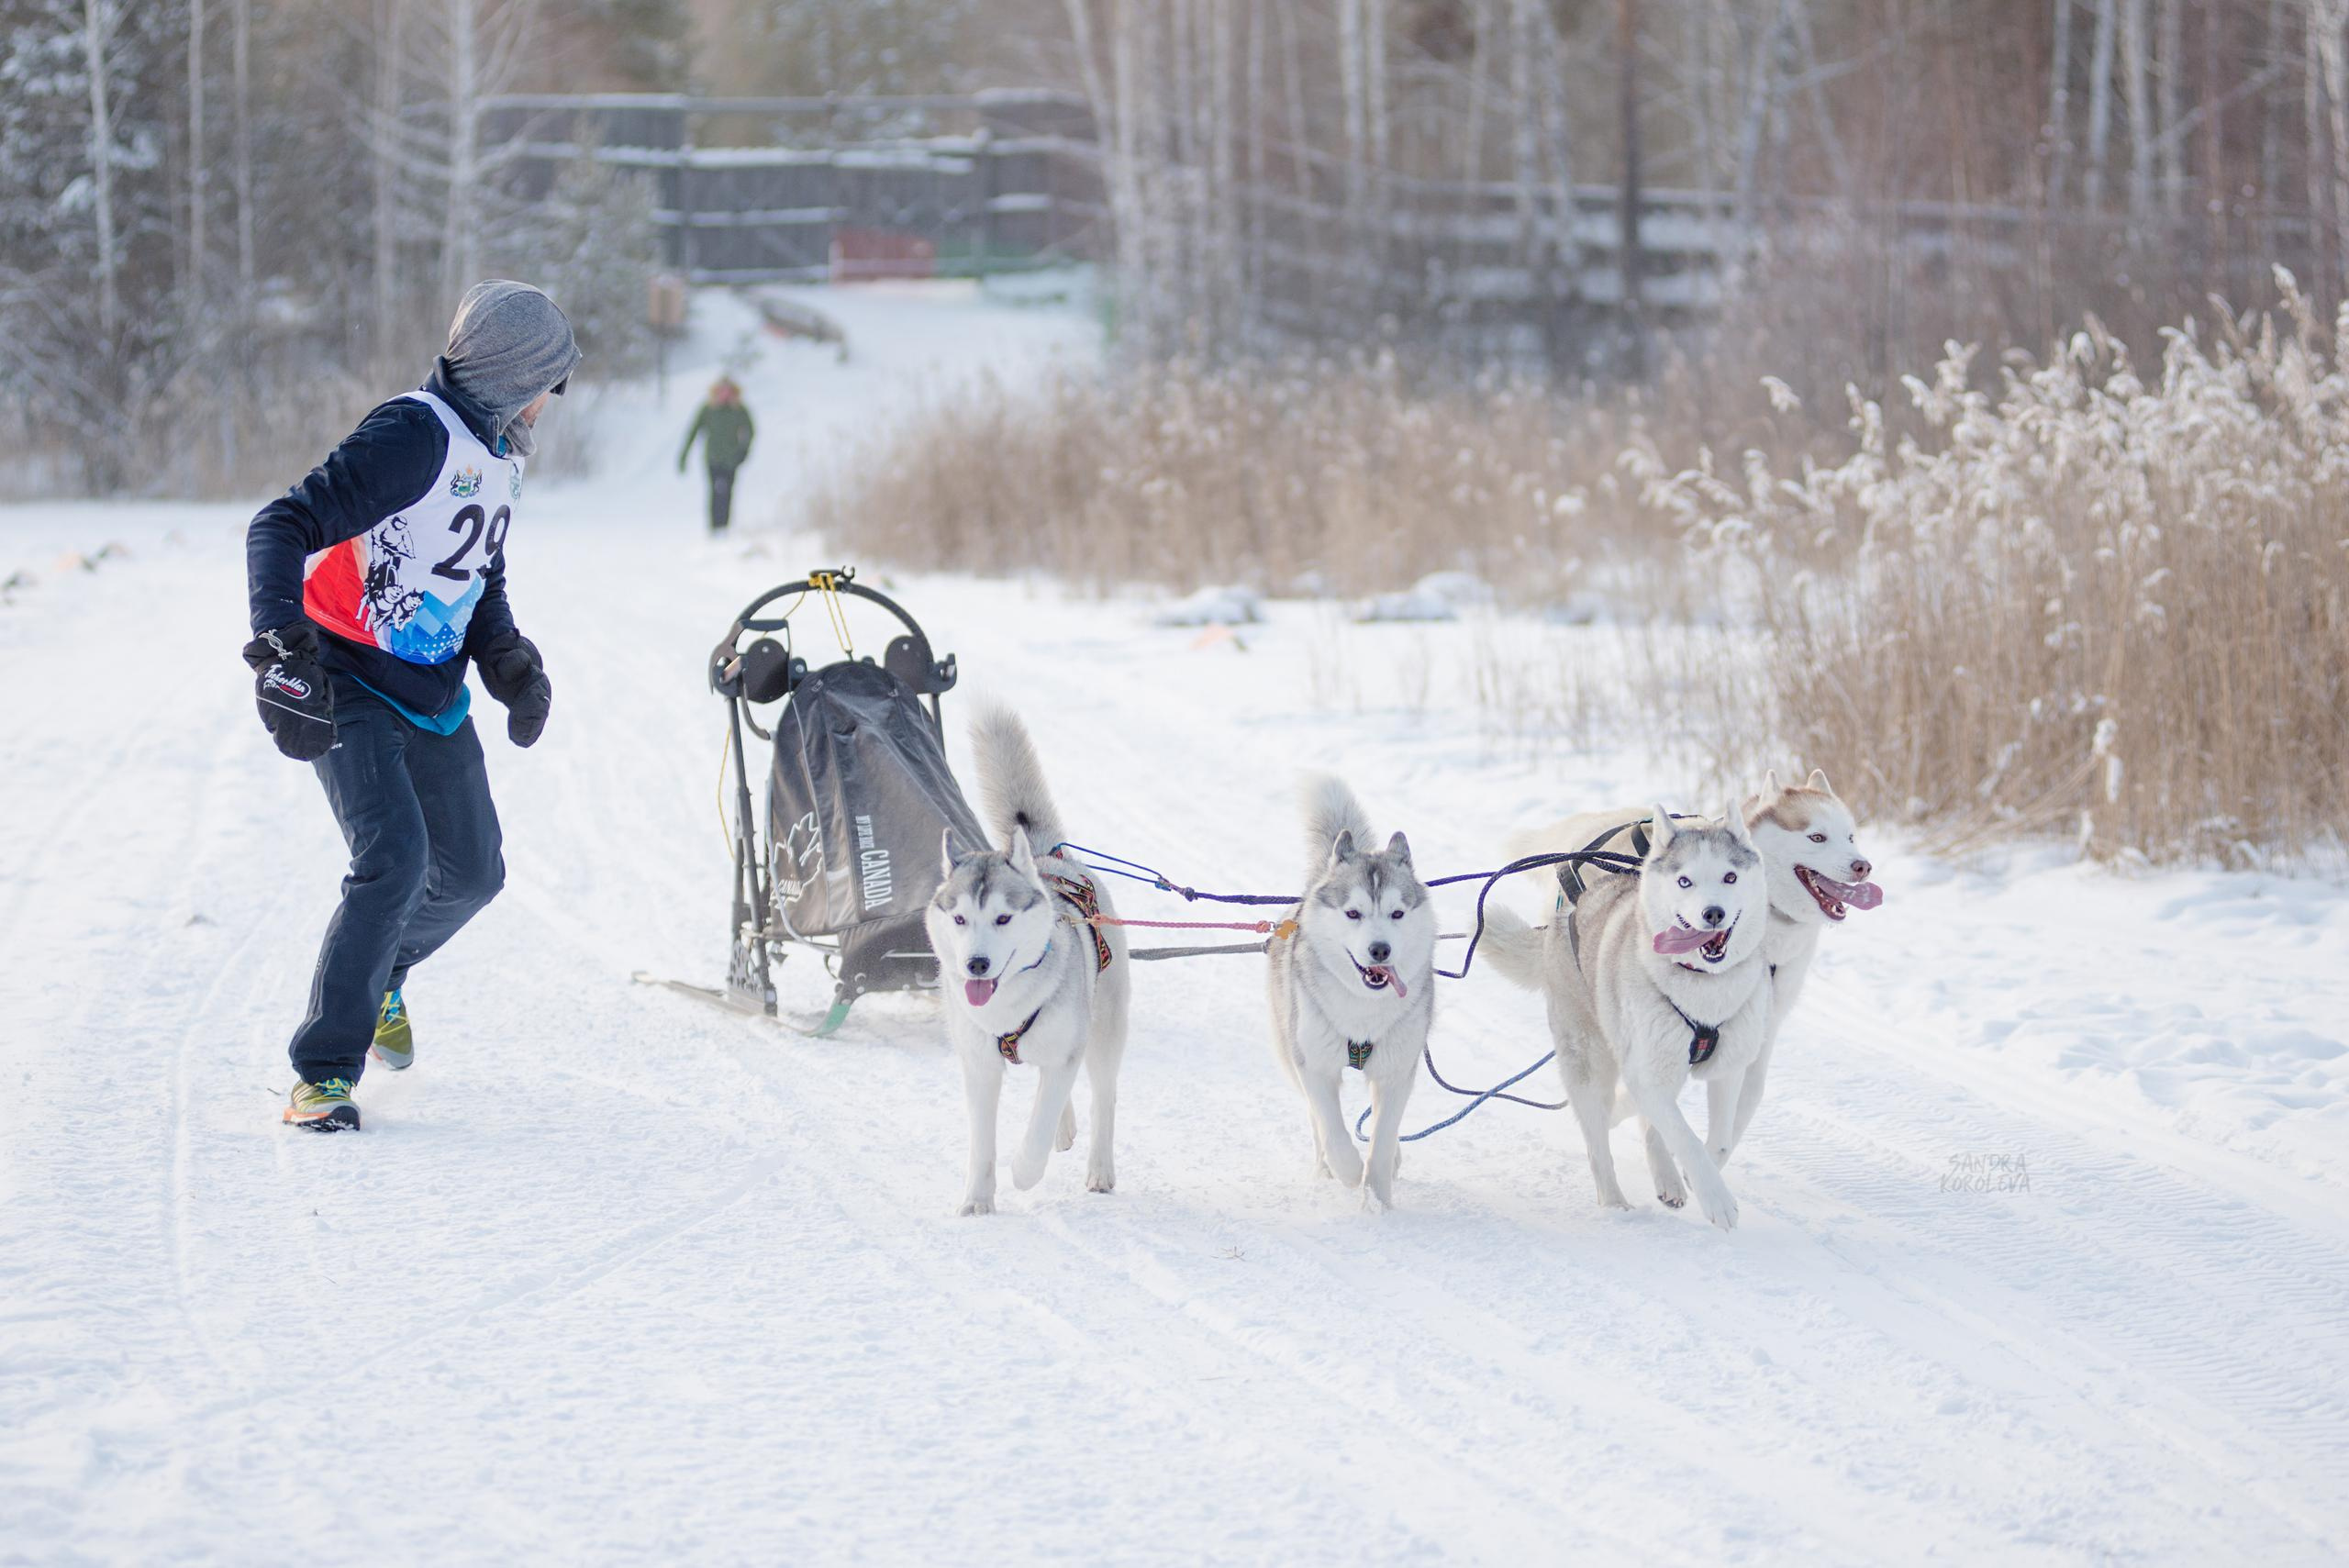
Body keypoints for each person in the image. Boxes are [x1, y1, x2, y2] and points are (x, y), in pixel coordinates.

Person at [243, 279, 581, 1132]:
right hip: (345, 676)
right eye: (553, 381)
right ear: (512, 372)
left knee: (472, 871)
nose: (554, 402)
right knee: (393, 857)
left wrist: (503, 656)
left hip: (427, 691)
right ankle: (323, 1071)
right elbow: (280, 524)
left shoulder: (497, 449)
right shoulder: (413, 434)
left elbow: (475, 572)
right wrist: (283, 650)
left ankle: (381, 975)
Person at [678, 375, 754, 533]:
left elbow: (750, 430)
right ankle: (714, 526)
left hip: (731, 459)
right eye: (722, 391)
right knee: (716, 490)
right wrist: (684, 455)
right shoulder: (708, 409)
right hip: (713, 458)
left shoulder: (738, 410)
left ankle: (724, 526)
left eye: (727, 391)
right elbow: (693, 431)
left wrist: (744, 451)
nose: (724, 394)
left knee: (727, 492)